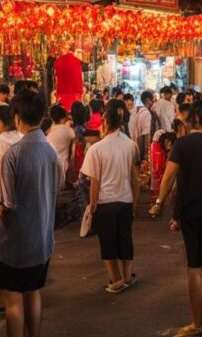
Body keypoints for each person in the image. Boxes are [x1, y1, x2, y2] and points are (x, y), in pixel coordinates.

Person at [150, 100, 202, 337]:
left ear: (194, 119)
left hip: (190, 209)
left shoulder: (183, 144)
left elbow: (168, 177)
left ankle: (197, 323)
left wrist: (158, 203)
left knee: (194, 266)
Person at [0, 89, 62, 337]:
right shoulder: (51, 152)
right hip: (42, 239)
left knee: (12, 300)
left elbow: (8, 203)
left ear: (17, 117)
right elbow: (57, 187)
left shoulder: (13, 155)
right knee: (33, 292)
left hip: (14, 244)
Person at [81, 99, 140, 293]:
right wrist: (135, 203)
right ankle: (126, 276)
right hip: (125, 200)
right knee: (125, 240)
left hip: (105, 202)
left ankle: (115, 279)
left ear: (105, 122)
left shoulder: (96, 149)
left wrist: (93, 203)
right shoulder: (130, 145)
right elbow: (135, 179)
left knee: (107, 242)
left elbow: (94, 182)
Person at [45, 105, 75, 177]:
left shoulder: (49, 130)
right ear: (63, 118)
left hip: (47, 166)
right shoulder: (69, 131)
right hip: (62, 167)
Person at [128, 91, 156, 160]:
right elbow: (147, 135)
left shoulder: (134, 111)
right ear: (148, 100)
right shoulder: (147, 113)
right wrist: (147, 153)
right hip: (140, 150)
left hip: (131, 148)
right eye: (152, 100)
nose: (153, 103)